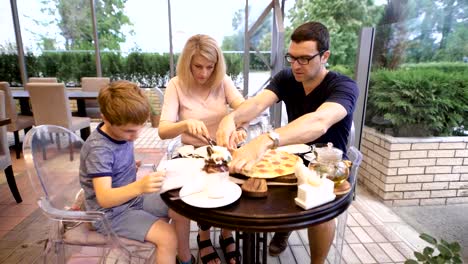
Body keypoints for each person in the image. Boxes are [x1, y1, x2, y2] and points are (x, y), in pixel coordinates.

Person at [216, 21, 359, 263]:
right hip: (292, 158)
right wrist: (231, 117)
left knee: (321, 212)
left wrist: (266, 139)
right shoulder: (287, 77)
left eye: (304, 59)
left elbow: (319, 121)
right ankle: (280, 230)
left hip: (328, 164)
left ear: (325, 56)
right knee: (252, 189)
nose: (295, 65)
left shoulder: (343, 86)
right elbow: (258, 103)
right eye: (291, 58)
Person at [79, 80, 193, 264]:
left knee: (181, 207)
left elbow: (113, 166)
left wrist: (129, 168)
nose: (136, 136)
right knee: (167, 236)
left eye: (139, 128)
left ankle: (185, 259)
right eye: (129, 131)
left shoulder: (119, 131)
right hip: (109, 214)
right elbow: (104, 198)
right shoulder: (99, 150)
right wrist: (139, 186)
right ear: (106, 119)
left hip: (130, 200)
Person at [158, 34, 245, 264]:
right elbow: (163, 130)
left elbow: (244, 109)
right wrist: (185, 124)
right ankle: (204, 236)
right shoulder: (176, 84)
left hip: (223, 148)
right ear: (187, 62)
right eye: (198, 66)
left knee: (233, 185)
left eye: (210, 66)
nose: (204, 73)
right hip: (192, 152)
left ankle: (227, 234)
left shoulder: (223, 81)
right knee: (203, 188)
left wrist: (238, 125)